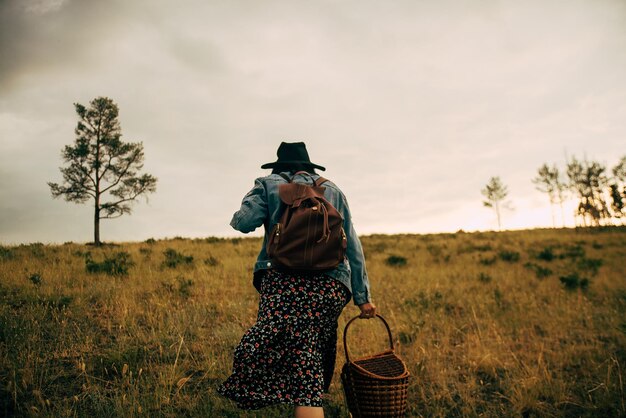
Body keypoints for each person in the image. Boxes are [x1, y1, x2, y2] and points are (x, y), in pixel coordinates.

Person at [217, 141, 376, 418]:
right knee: (309, 351)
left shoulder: (268, 185)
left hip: (283, 283)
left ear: (279, 166)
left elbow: (243, 222)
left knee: (300, 361)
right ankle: (307, 398)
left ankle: (301, 399)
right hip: (331, 286)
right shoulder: (334, 190)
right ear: (308, 165)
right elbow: (352, 245)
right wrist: (363, 299)